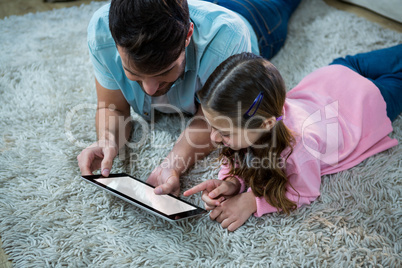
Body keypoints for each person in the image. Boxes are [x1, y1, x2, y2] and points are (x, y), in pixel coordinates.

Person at [77, 0, 301, 196]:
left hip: (249, 14)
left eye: (164, 72)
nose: (150, 89)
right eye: (134, 75)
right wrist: (107, 140)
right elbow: (113, 108)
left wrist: (173, 164)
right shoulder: (101, 31)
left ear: (188, 35)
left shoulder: (228, 36)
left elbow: (216, 118)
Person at [183, 44, 402, 231]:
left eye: (225, 132)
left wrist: (252, 201)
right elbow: (241, 161)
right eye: (212, 126)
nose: (214, 137)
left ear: (266, 124)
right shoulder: (257, 121)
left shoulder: (299, 150)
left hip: (369, 100)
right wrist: (232, 182)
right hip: (336, 73)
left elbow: (306, 191)